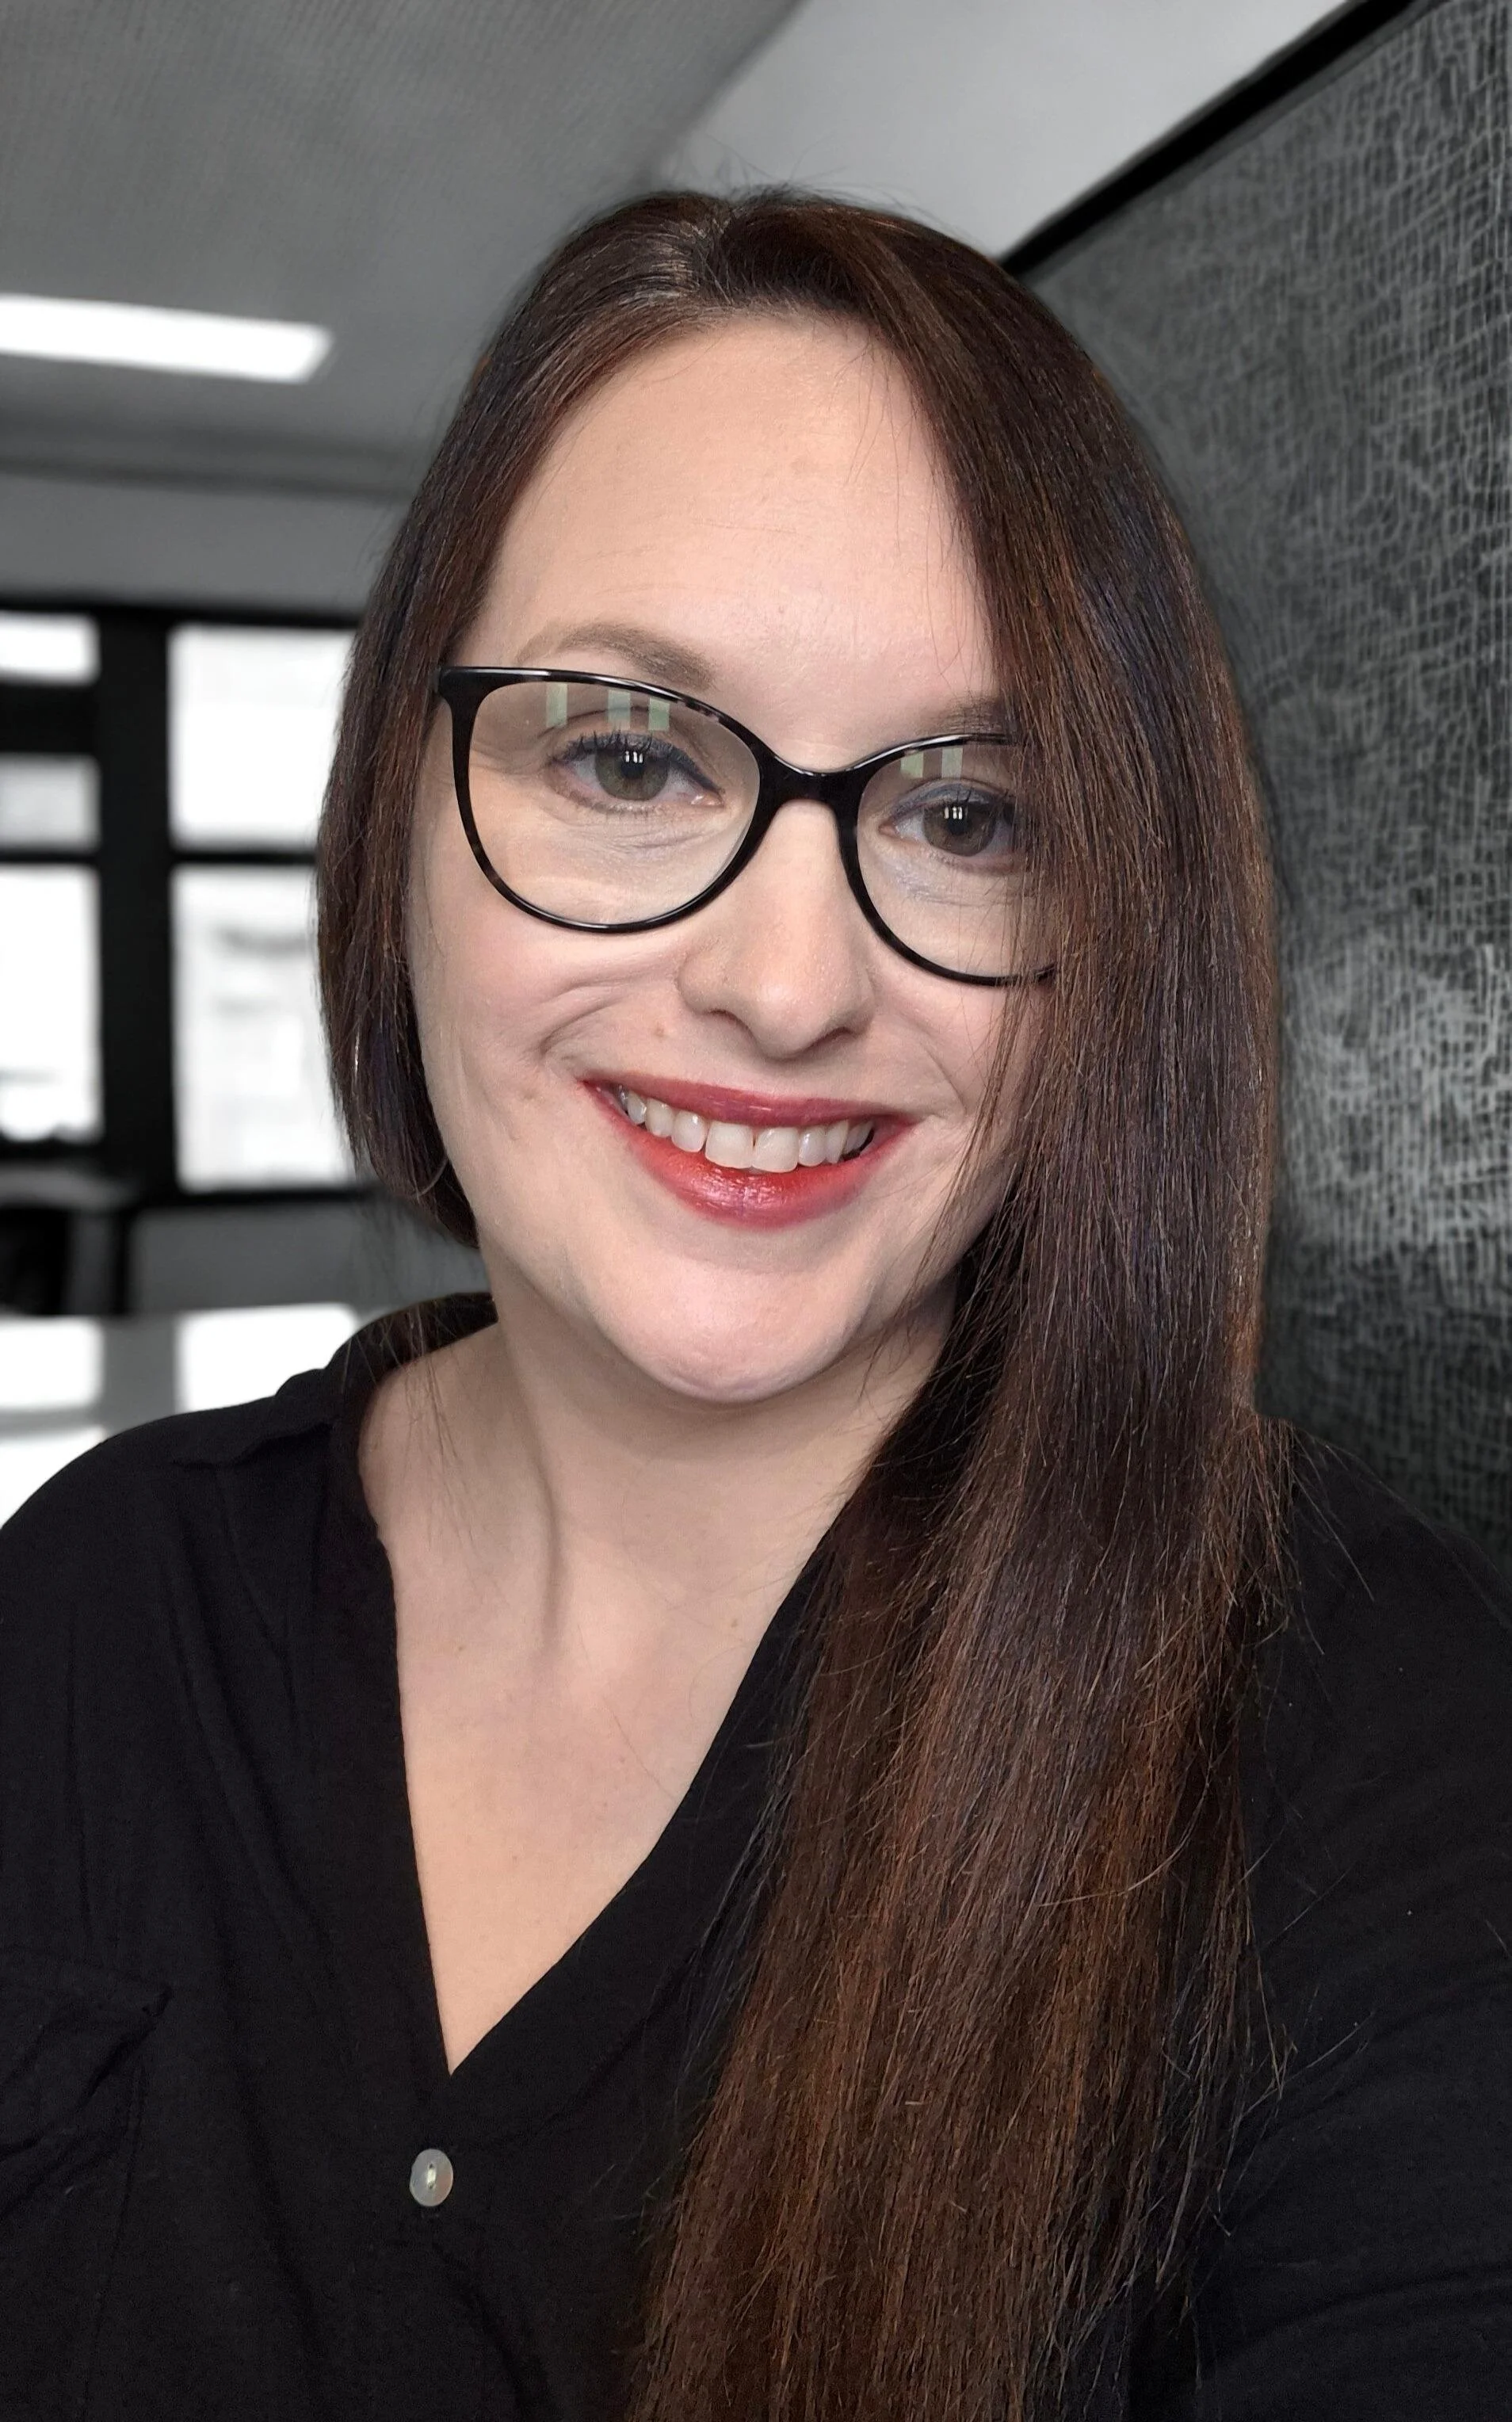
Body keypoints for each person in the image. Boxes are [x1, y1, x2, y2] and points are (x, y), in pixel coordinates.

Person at [1, 190, 1508, 2422]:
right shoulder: (97, 1607)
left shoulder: (1370, 1766)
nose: (788, 985)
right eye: (626, 756)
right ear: (395, 815)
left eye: (973, 814)